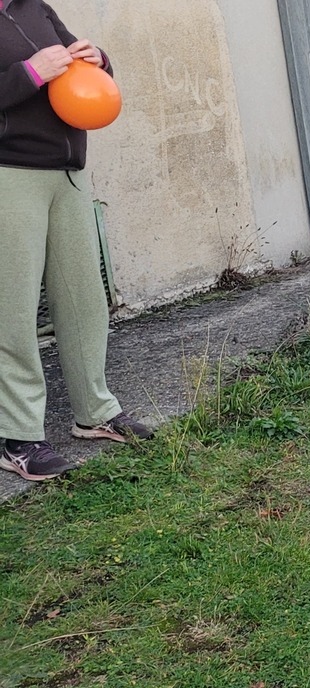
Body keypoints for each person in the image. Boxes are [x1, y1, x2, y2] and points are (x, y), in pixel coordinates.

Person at [1, 0, 153, 483]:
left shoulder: (35, 7)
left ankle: (95, 411)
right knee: (13, 309)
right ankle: (19, 437)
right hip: (9, 173)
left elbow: (84, 66)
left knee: (84, 298)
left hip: (66, 171)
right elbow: (35, 74)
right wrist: (29, 73)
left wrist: (98, 58)